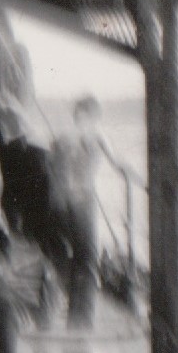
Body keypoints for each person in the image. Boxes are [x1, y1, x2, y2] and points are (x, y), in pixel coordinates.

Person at [45, 95, 134, 327]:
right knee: (86, 258)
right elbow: (118, 162)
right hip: (82, 200)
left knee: (63, 253)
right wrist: (136, 176)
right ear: (93, 116)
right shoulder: (97, 135)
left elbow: (49, 168)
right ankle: (81, 319)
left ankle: (55, 304)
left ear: (77, 114)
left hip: (58, 201)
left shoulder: (60, 137)